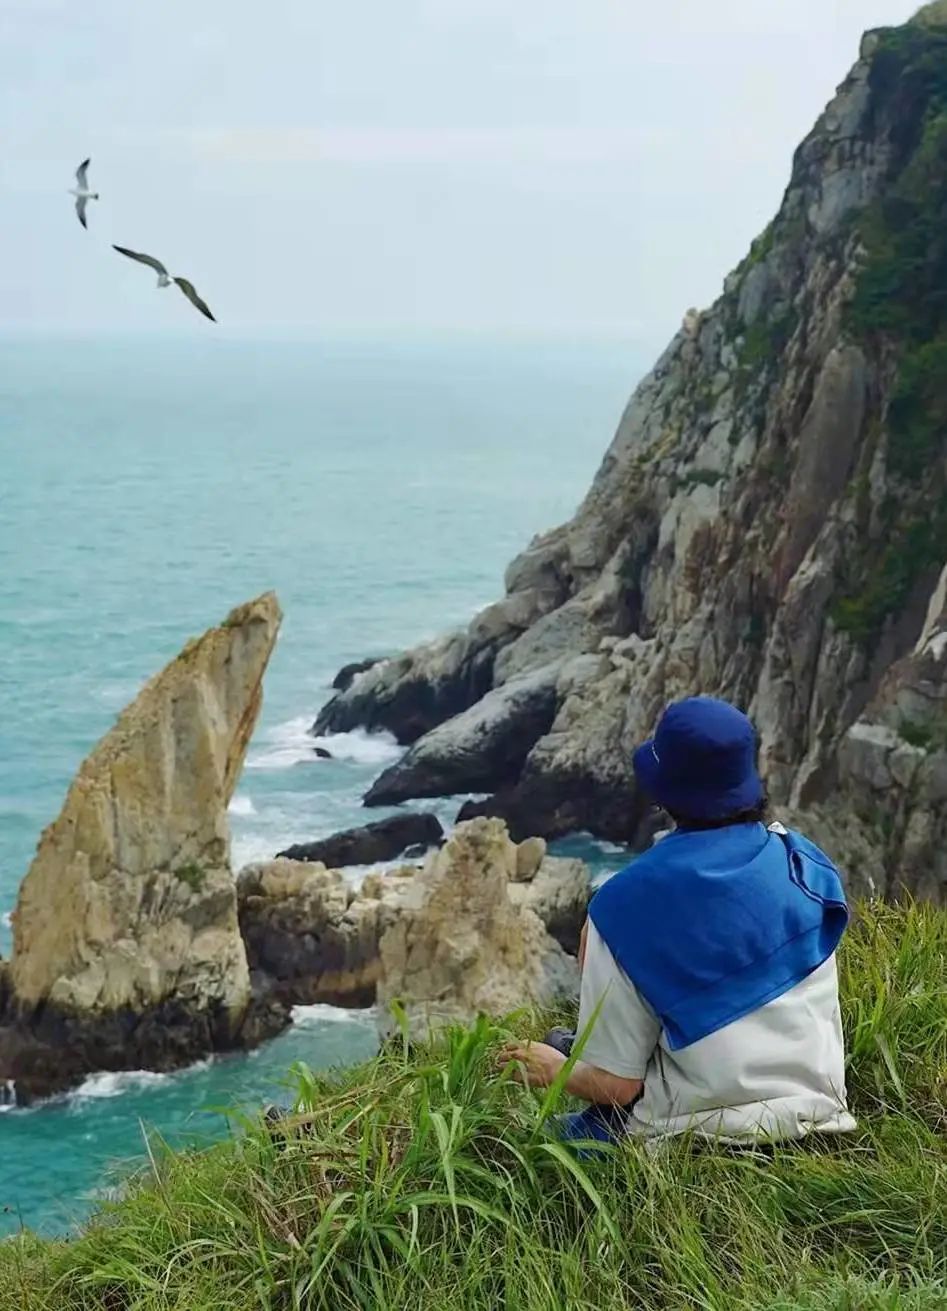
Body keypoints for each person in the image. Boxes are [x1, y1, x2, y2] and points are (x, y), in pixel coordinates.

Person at [501, 695, 856, 1145]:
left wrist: (554, 1070)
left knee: (523, 1146)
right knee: (579, 1036)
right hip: (819, 1110)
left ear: (662, 791)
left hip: (702, 1137)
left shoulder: (623, 908)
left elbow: (617, 1088)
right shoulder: (803, 862)